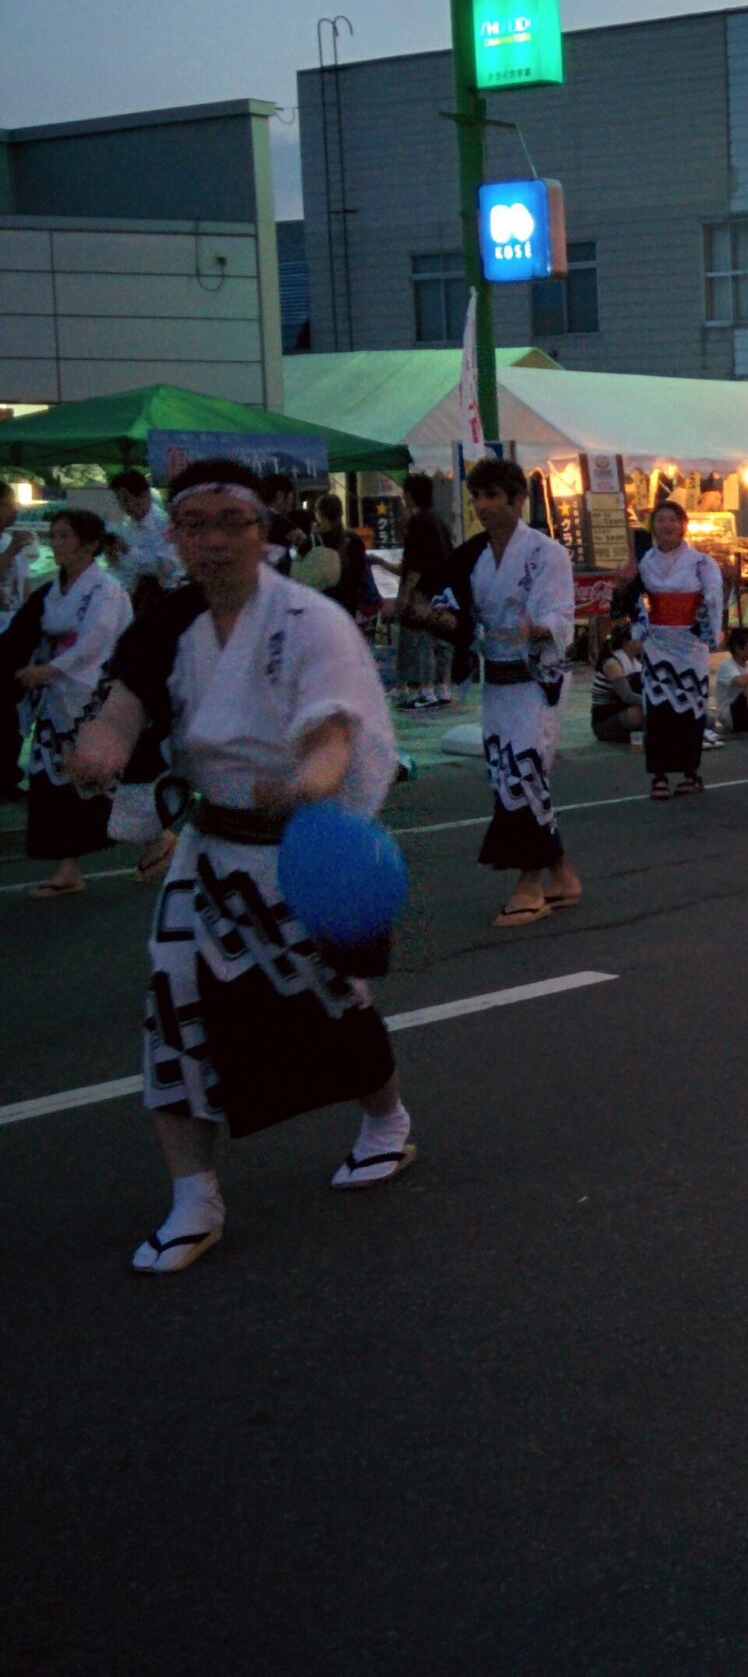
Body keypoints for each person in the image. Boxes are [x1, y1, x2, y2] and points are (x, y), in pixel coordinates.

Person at [66, 456, 412, 1276]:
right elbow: (124, 705)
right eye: (197, 525)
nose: (215, 541)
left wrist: (304, 784)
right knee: (174, 1004)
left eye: (233, 522)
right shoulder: (165, 624)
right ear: (177, 537)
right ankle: (195, 1194)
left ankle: (388, 1120)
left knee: (331, 1001)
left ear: (263, 532)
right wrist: (102, 747)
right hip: (207, 850)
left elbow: (333, 734)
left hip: (295, 849)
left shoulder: (308, 621)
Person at [405, 455, 582, 928]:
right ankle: (561, 876)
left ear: (517, 499)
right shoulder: (470, 556)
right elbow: (458, 619)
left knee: (523, 773)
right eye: (477, 497)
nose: (482, 506)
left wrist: (537, 629)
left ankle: (528, 887)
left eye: (491, 496)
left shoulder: (547, 554)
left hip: (534, 681)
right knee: (511, 778)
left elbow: (563, 616)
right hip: (496, 682)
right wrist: (422, 613)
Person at [13, 508, 133, 897]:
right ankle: (67, 867)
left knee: (101, 778)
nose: (56, 543)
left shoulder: (106, 589)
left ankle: (157, 838)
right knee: (53, 780)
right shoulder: (56, 587)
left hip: (92, 694)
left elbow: (93, 645)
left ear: (90, 545)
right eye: (54, 535)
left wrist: (49, 670)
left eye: (65, 536)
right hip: (57, 696)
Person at [623, 499, 723, 799]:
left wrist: (708, 634)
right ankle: (659, 775)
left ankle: (691, 771)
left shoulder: (702, 562)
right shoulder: (644, 562)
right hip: (657, 642)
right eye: (661, 520)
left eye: (672, 520)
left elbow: (714, 599)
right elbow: (635, 603)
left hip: (690, 644)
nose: (667, 526)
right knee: (657, 709)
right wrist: (637, 633)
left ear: (683, 525)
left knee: (691, 709)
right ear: (653, 525)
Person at [393, 474, 455, 711]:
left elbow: (416, 564)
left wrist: (405, 594)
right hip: (444, 590)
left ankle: (424, 691)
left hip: (423, 592)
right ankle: (442, 689)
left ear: (408, 496)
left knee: (419, 641)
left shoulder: (418, 522)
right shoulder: (440, 522)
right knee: (440, 642)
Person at [105, 469, 179, 609]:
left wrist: (128, 550)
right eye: (119, 500)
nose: (123, 506)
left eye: (126, 500)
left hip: (165, 597)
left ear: (144, 496)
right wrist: (113, 557)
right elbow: (123, 568)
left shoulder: (165, 525)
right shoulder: (126, 524)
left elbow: (165, 567)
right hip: (132, 596)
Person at [0, 484, 26, 801]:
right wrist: (10, 552)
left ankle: (8, 775)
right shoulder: (11, 546)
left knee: (12, 710)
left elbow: (25, 587)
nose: (14, 511)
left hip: (12, 632)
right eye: (7, 505)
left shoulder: (13, 541)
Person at [589, 619, 644, 744]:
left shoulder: (636, 662)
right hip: (604, 721)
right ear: (626, 641)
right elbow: (626, 696)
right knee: (640, 713)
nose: (644, 642)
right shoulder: (612, 663)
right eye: (640, 638)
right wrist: (654, 705)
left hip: (621, 711)